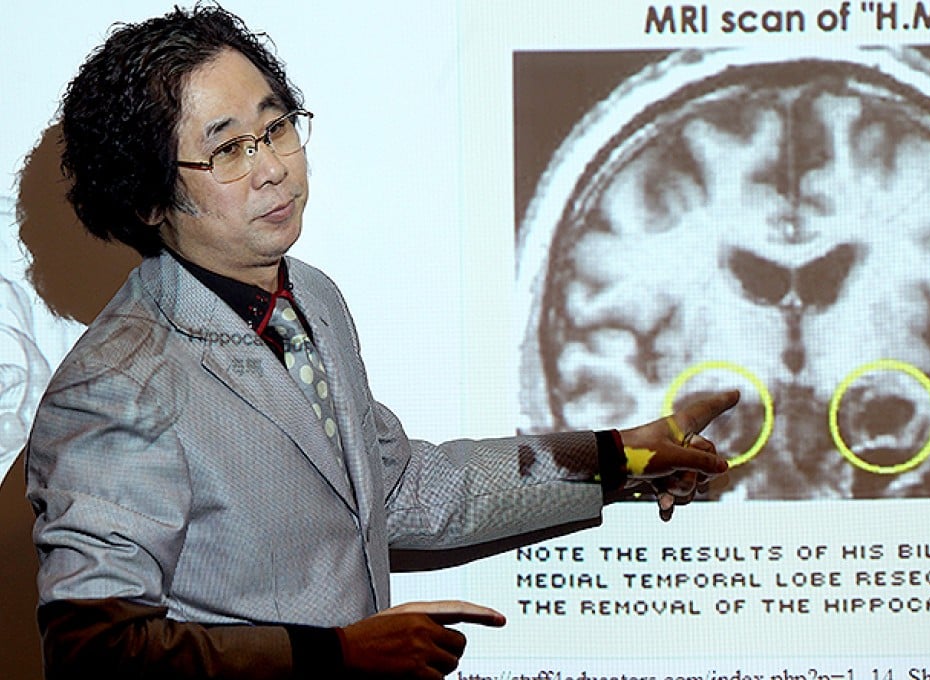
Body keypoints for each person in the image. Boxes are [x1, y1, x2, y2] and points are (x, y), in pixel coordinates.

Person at [24, 5, 738, 679]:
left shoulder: (312, 296)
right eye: (229, 150)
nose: (273, 166)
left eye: (275, 129)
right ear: (147, 197)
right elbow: (96, 650)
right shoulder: (118, 384)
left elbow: (399, 486)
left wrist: (623, 456)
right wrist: (336, 656)